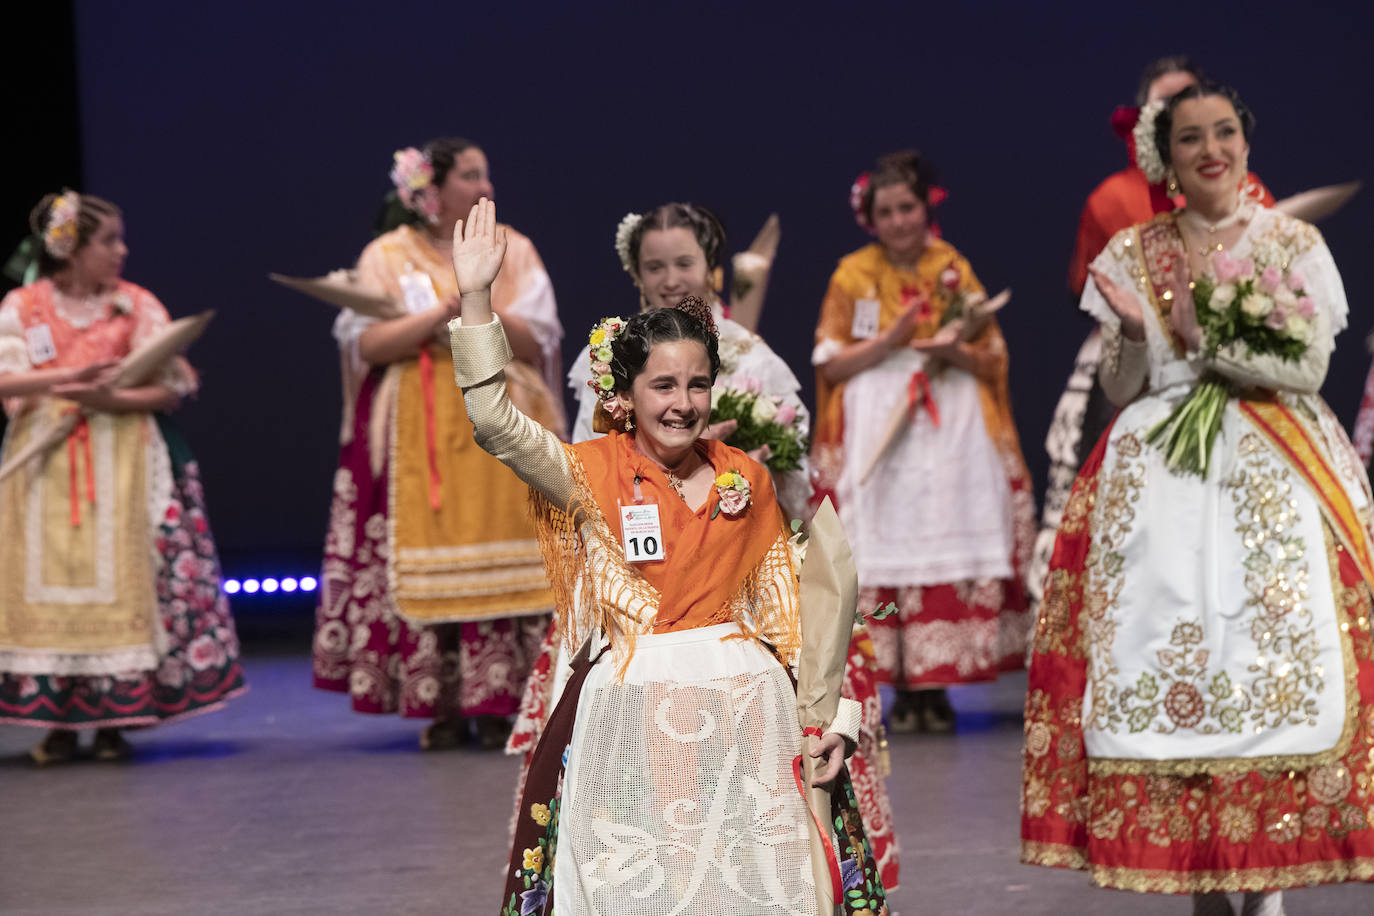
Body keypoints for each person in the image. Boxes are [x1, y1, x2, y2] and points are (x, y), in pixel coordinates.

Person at [450, 199, 887, 915]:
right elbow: (495, 423)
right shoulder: (588, 473)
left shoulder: (744, 477)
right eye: (661, 385)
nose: (682, 403)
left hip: (749, 718)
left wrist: (832, 721)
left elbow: (788, 616)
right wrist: (474, 299)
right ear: (623, 395)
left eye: (696, 384)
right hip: (630, 721)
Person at [1021, 83, 1374, 914]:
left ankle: (1269, 874)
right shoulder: (1135, 250)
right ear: (1166, 159)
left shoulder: (1292, 244)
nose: (1210, 149)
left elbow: (1308, 372)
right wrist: (1143, 337)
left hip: (1276, 470)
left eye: (1223, 132)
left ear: (1246, 144)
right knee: (1173, 655)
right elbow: (1119, 383)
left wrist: (1204, 342)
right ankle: (1198, 870)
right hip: (1161, 483)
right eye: (1190, 139)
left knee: (1270, 653)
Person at [312, 138, 562, 749]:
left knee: (510, 550)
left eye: (486, 174)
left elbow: (541, 338)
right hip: (418, 426)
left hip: (499, 417)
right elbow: (368, 344)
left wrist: (476, 313)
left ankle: (505, 700)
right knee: (428, 552)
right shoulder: (388, 255)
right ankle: (442, 703)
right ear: (433, 190)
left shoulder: (515, 248)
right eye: (471, 176)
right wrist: (441, 316)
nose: (486, 188)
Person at [0, 191, 244, 763]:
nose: (121, 250)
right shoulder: (25, 305)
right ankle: (57, 724)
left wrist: (112, 395)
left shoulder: (136, 306)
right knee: (46, 583)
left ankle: (116, 718)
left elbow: (174, 385)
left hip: (125, 459)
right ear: (72, 247)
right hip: (45, 463)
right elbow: (5, 377)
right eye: (109, 240)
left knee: (129, 577)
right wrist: (65, 380)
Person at [1030, 57, 1275, 611]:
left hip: (1233, 376)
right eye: (1171, 112)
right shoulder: (1111, 199)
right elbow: (1083, 286)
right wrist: (1141, 326)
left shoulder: (1253, 195)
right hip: (1138, 368)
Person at [812, 150, 1035, 733]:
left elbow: (993, 355)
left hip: (948, 428)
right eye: (885, 211)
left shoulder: (951, 266)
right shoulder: (852, 275)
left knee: (943, 528)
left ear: (926, 207)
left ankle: (936, 687)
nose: (899, 221)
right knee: (882, 537)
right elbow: (831, 364)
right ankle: (898, 686)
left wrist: (949, 351)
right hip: (877, 423)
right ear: (871, 218)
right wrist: (894, 340)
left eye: (907, 207)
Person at [567, 202, 812, 517]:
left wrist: (744, 466)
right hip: (641, 519)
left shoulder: (752, 355)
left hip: (735, 524)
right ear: (637, 274)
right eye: (655, 267)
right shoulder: (612, 355)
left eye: (684, 264)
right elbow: (588, 460)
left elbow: (794, 460)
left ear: (710, 267)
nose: (670, 281)